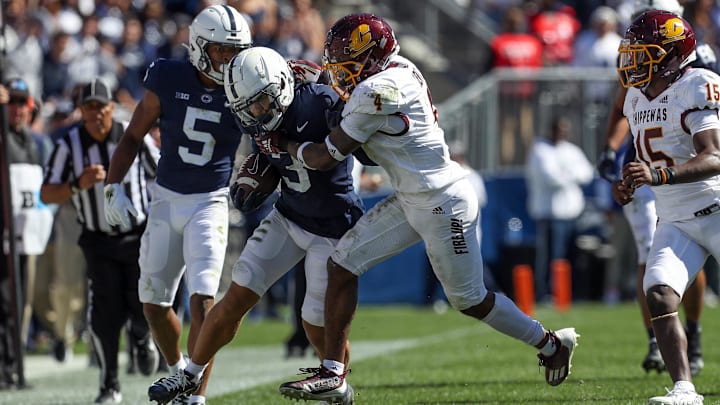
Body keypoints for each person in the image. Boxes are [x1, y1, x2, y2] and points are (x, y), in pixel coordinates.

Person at [274, 14, 579, 404]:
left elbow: (323, 157)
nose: (339, 72)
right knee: (342, 263)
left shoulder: (379, 90)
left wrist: (281, 143)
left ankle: (551, 344)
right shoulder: (398, 68)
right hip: (411, 196)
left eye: (347, 63)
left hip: (442, 201)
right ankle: (333, 373)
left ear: (373, 59)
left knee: (470, 301)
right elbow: (365, 146)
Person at [145, 45, 364, 405]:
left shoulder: (320, 103)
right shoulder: (257, 109)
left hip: (333, 226)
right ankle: (189, 376)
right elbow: (272, 160)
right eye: (246, 107)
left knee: (314, 321)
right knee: (236, 295)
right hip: (289, 216)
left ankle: (337, 387)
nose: (253, 114)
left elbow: (332, 154)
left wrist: (291, 145)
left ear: (280, 88)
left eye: (259, 104)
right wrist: (261, 175)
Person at [103, 5, 252, 405]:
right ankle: (178, 372)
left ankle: (195, 396)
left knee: (204, 298)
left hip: (210, 201)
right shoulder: (168, 77)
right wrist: (112, 185)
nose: (228, 59)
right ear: (200, 46)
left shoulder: (246, 83)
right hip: (166, 199)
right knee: (153, 304)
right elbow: (133, 135)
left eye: (234, 51)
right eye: (221, 50)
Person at [613, 10, 720, 404]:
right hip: (675, 218)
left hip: (716, 206)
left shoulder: (698, 84)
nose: (634, 61)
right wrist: (627, 183)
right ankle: (684, 389)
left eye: (644, 53)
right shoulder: (636, 98)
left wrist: (659, 176)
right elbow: (644, 156)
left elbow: (714, 156)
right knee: (658, 293)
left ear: (672, 56)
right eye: (633, 53)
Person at [40, 78, 159, 404]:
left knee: (143, 305)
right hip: (97, 239)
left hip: (137, 236)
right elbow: (47, 192)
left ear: (111, 108)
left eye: (100, 107)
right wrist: (78, 184)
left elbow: (160, 171)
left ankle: (140, 335)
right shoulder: (69, 146)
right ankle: (109, 384)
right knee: (104, 315)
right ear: (80, 111)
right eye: (87, 108)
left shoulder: (131, 134)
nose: (94, 114)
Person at [525, 116, 594, 302]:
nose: (562, 133)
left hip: (572, 213)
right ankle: (547, 293)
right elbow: (551, 178)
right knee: (551, 256)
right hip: (550, 214)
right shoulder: (540, 149)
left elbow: (587, 173)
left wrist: (566, 173)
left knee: (570, 257)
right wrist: (572, 174)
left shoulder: (572, 150)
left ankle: (566, 293)